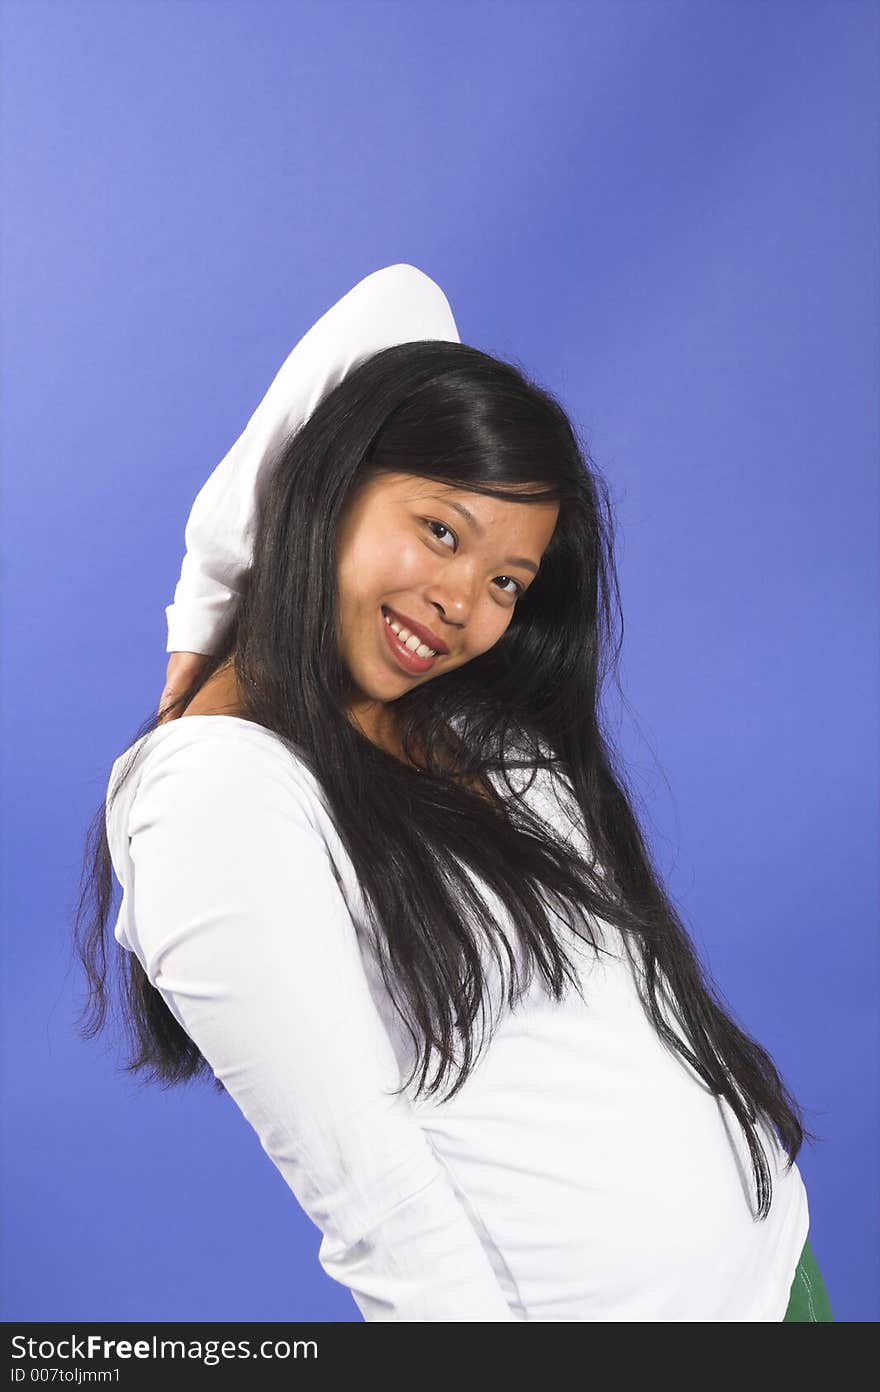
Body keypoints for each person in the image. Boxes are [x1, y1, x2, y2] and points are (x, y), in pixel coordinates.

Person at [74, 264, 833, 1321]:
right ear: (325, 481)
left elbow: (404, 310)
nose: (461, 605)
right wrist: (205, 610)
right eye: (440, 531)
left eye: (507, 583)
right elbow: (380, 1214)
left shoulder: (465, 719)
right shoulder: (215, 795)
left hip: (776, 1279)